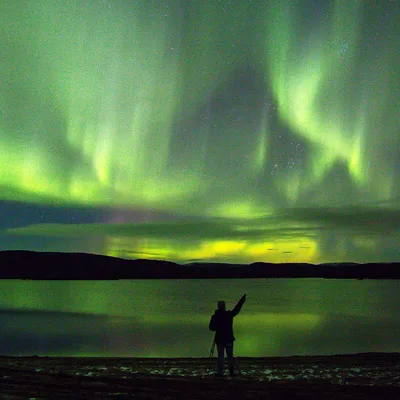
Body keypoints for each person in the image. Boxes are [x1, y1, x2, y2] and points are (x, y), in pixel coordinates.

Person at [209, 294, 246, 376]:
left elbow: (211, 327)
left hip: (220, 339)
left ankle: (220, 372)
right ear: (224, 306)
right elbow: (236, 309)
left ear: (218, 307)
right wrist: (241, 301)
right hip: (228, 339)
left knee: (221, 357)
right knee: (230, 356)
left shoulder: (215, 317)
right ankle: (231, 372)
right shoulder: (228, 315)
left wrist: (217, 327)